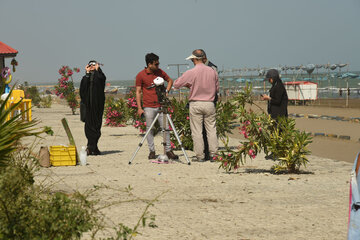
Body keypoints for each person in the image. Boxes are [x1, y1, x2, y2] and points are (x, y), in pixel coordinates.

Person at [173, 49, 219, 162]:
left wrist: (189, 85)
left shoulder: (191, 72)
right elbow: (216, 89)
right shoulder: (212, 71)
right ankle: (214, 155)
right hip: (209, 103)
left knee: (197, 131)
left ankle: (200, 156)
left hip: (196, 103)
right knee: (212, 130)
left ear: (194, 59)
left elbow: (176, 84)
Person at [135, 53, 178, 160]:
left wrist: (167, 91)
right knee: (150, 129)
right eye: (156, 64)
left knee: (166, 128)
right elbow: (138, 91)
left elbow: (170, 80)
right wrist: (139, 108)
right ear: (149, 64)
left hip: (160, 105)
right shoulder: (140, 75)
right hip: (148, 106)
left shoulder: (160, 72)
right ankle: (152, 151)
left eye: (158, 63)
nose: (158, 66)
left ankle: (168, 150)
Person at [80, 60, 106, 155]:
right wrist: (87, 72)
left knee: (97, 126)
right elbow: (82, 90)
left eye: (94, 65)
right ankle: (91, 147)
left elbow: (102, 79)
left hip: (98, 106)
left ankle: (93, 147)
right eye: (90, 65)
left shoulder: (100, 76)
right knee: (89, 127)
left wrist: (98, 70)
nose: (92, 67)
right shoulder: (85, 77)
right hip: (88, 107)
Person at [261, 69, 288, 160]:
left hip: (279, 114)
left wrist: (268, 98)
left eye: (270, 79)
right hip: (274, 113)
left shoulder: (279, 86)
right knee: (274, 133)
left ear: (274, 78)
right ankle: (275, 152)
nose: (269, 81)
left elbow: (277, 101)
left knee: (278, 134)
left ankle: (278, 153)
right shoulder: (275, 85)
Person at [201, 49, 218, 160]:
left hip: (208, 100)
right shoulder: (208, 67)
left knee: (208, 128)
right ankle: (206, 152)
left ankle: (209, 153)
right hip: (207, 100)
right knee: (204, 129)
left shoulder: (212, 68)